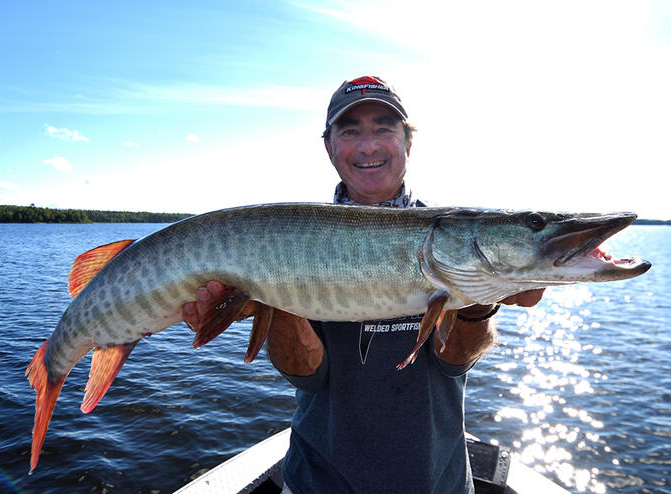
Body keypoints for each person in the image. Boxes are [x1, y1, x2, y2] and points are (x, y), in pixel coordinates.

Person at [181, 76, 544, 493]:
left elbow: (453, 363)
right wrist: (269, 292)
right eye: (350, 131)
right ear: (329, 147)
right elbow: (307, 376)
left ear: (407, 143)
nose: (368, 146)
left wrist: (481, 301)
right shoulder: (294, 242)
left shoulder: (452, 239)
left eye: (383, 129)